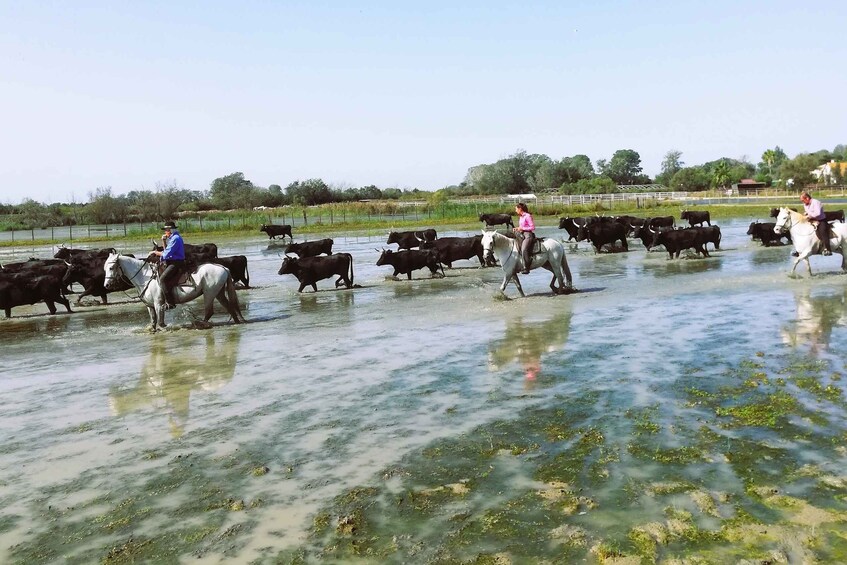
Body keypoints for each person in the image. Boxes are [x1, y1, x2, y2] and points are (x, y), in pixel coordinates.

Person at [152, 221, 186, 308]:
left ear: (170, 230)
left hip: (176, 263)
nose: (165, 232)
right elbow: (167, 250)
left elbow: (166, 254)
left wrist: (154, 252)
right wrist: (163, 241)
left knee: (162, 279)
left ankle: (170, 303)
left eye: (166, 230)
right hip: (173, 261)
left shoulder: (175, 239)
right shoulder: (173, 238)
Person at [800, 191, 832, 255]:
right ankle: (800, 249)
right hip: (811, 220)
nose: (802, 202)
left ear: (807, 198)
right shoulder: (805, 204)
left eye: (803, 200)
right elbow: (808, 212)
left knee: (822, 232)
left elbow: (817, 213)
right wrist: (806, 214)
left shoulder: (816, 202)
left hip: (821, 220)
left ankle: (828, 249)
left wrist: (809, 215)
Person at [513, 202, 536, 274]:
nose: (515, 210)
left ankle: (526, 267)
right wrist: (517, 228)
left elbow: (532, 227)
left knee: (524, 249)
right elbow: (521, 227)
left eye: (516, 209)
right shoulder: (521, 217)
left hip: (528, 235)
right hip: (521, 234)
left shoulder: (528, 216)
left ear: (520, 209)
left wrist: (522, 228)